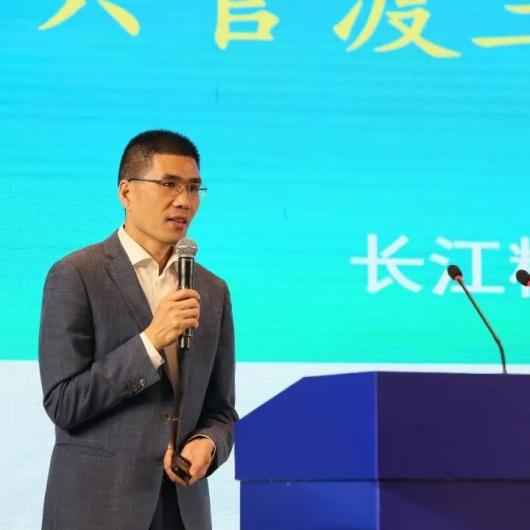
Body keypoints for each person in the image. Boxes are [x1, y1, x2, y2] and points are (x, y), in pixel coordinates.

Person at [38, 130, 237, 530]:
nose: (184, 201)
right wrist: (150, 342)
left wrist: (208, 444)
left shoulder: (212, 290)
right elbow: (63, 403)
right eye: (169, 184)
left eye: (193, 188)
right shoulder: (76, 275)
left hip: (182, 511)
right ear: (126, 192)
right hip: (96, 511)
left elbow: (222, 410)